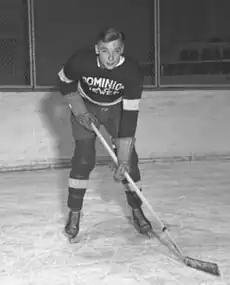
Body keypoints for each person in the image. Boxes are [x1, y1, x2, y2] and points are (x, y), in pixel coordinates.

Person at [57, 27, 153, 243]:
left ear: (122, 50)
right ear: (96, 49)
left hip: (116, 112)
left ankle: (137, 210)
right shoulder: (81, 61)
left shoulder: (132, 71)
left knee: (131, 163)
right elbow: (63, 81)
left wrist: (124, 156)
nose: (111, 57)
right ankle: (74, 212)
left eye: (116, 51)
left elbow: (130, 115)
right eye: (105, 51)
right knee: (83, 159)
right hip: (86, 108)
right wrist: (79, 110)